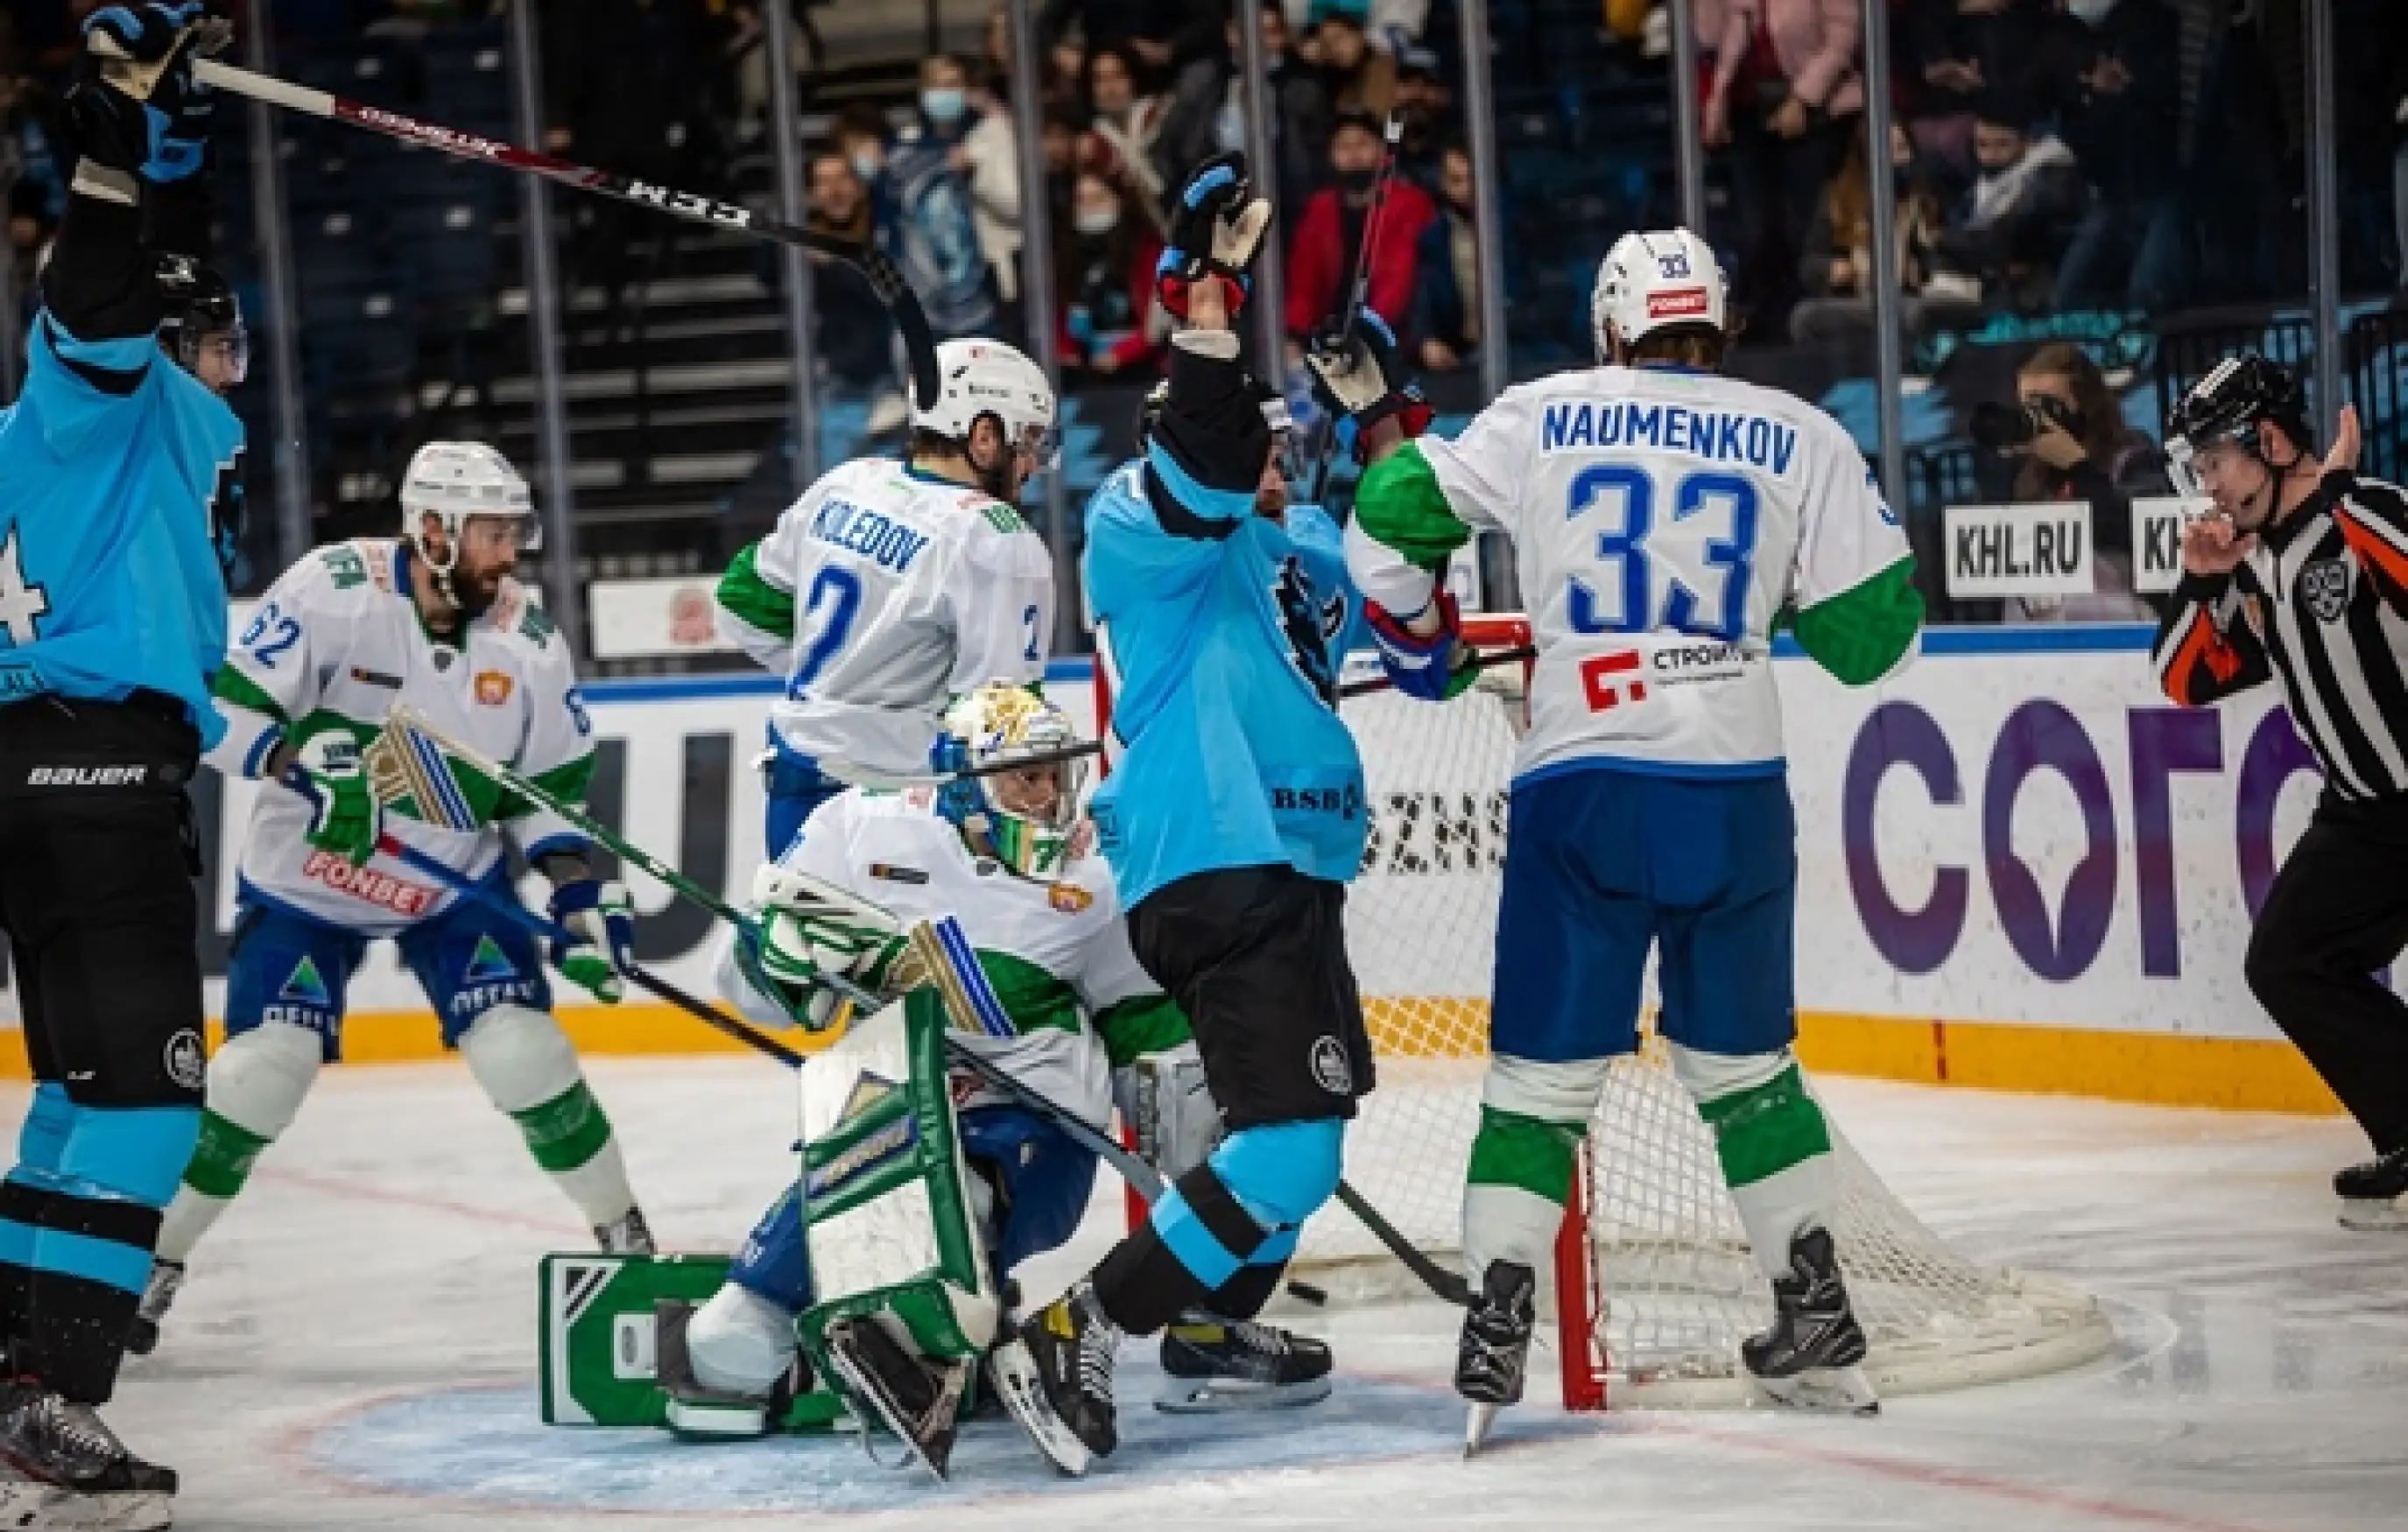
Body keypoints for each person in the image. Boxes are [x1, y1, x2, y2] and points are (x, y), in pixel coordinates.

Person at [1322, 226, 1925, 1437]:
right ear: (1721, 323)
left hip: (1581, 784)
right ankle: (1811, 1309)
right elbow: (1875, 637)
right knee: (1747, 1070)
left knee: (1539, 1083)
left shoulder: (1546, 411)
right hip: (1734, 787)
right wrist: (1772, 602)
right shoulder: (1798, 429)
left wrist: (1422, 641)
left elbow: (1383, 523)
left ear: (1610, 329)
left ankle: (1497, 1320)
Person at [989, 153, 1389, 1476]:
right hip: (1215, 855)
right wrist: (1207, 318)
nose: (1272, 456)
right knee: (1293, 1147)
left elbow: (1397, 580)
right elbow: (1207, 470)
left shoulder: (1293, 549)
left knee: (1279, 1130)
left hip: (1282, 861)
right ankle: (1079, 1323)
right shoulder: (1138, 527)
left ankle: (1213, 1332)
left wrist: (1383, 422)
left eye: (1283, 441)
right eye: (1254, 438)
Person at [664, 685, 1332, 1466]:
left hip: (1034, 1134)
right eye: (1025, 778)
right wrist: (772, 961)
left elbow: (1140, 1022)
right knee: (726, 1346)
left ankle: (932, 1335)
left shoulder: (1096, 880)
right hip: (882, 1129)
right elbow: (746, 979)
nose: (1048, 799)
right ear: (964, 782)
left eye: (1056, 775)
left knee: (969, 1191)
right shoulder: (860, 828)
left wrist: (1208, 1115)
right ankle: (887, 1347)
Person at [133, 440, 656, 1353]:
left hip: (448, 892)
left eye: (512, 533)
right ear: (433, 530)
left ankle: (625, 1236)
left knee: (524, 1052)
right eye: (493, 533)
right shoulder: (333, 590)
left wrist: (580, 894)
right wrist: (300, 763)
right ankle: (153, 1266)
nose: (510, 554)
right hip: (306, 884)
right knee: (263, 1073)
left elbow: (545, 804)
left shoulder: (527, 645)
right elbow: (216, 710)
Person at [0, 7, 244, 1523]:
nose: (230, 358)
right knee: (151, 1109)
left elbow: (137, 280)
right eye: (211, 337)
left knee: (75, 1108)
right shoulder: (104, 402)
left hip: (42, 763)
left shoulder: (65, 430)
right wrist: (102, 142)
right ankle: (50, 1409)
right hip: (89, 774)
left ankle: (14, 1385)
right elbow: (95, 291)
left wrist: (174, 135)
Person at [2151, 355, 2408, 1232]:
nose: (2209, 486)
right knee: (2286, 961)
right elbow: (2185, 678)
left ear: (2268, 440)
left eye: (2216, 461)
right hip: (2366, 818)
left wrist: (2337, 498)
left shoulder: (2363, 510)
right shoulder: (2256, 565)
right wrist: (2199, 578)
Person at [714, 338, 1058, 859]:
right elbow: (1000, 719)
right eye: (1028, 442)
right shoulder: (997, 539)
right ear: (984, 436)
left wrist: (846, 682)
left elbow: (742, 600)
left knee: (799, 940)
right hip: (901, 811)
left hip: (796, 784)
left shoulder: (849, 481)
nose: (1032, 464)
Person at [1973, 341, 2172, 619]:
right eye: (2026, 407)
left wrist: (2080, 468)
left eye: (2045, 406)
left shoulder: (2132, 460)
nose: (2036, 419)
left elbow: (2143, 541)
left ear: (2085, 406)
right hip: (2043, 639)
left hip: (2119, 634)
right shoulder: (2027, 477)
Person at [2031, 0, 2185, 313]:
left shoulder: (2158, 26)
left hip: (2163, 187)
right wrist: (2095, 98)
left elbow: (2171, 96)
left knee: (2145, 294)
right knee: (2065, 298)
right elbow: (2067, 115)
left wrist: (2130, 89)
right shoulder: (2068, 41)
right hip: (2111, 191)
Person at [1788, 119, 1976, 346]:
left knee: (1917, 315)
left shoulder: (1931, 193)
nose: (1897, 161)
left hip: (1916, 297)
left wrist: (1923, 263)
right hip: (1862, 301)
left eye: (1902, 149)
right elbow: (1809, 264)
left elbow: (1957, 252)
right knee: (1805, 317)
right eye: (1888, 152)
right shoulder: (1839, 199)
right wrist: (1831, 269)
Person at [1284, 109, 1433, 353]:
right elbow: (1304, 281)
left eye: (1362, 144)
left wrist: (1365, 336)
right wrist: (1295, 336)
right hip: (1328, 338)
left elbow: (1399, 280)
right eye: (1343, 146)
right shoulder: (1319, 208)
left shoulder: (1410, 204)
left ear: (1381, 150)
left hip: (1389, 337)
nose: (1353, 154)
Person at [1931, 91, 2086, 315]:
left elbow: (2004, 237)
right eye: (1982, 145)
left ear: (2028, 143)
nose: (1990, 155)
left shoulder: (2051, 178)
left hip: (2035, 294)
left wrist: (1941, 240)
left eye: (2003, 144)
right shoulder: (1981, 184)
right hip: (1992, 282)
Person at [1058, 170, 1166, 383]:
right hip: (1083, 375)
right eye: (1081, 200)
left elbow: (1157, 321)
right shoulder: (1066, 252)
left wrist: (1121, 354)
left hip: (1140, 370)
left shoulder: (1146, 249)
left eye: (1098, 199)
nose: (1089, 208)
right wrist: (1065, 351)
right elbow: (1060, 314)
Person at [1409, 141, 1483, 373]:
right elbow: (1422, 297)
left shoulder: (1518, 228)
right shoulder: (1434, 237)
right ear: (1442, 183)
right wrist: (1427, 339)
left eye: (1473, 178)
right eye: (1456, 180)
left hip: (1519, 351)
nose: (1467, 189)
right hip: (1458, 352)